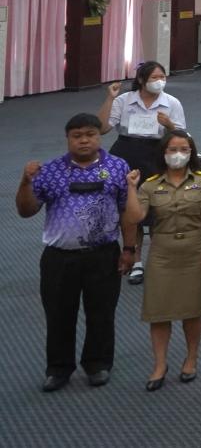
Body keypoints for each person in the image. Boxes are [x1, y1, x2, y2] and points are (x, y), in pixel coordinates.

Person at [19, 113, 143, 391]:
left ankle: (98, 364)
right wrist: (25, 182)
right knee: (58, 314)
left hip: (103, 254)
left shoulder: (117, 167)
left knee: (102, 312)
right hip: (59, 256)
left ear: (99, 136)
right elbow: (26, 210)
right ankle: (58, 368)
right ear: (68, 139)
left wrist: (129, 249)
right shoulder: (50, 170)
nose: (84, 140)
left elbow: (128, 212)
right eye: (77, 136)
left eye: (90, 134)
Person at [133, 130, 201, 390]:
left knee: (192, 310)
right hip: (162, 251)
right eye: (172, 149)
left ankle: (191, 359)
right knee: (158, 311)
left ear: (191, 153)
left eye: (183, 149)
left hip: (194, 249)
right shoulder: (150, 185)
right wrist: (129, 188)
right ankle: (160, 364)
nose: (178, 154)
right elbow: (137, 217)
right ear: (163, 153)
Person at [99, 63, 184, 284]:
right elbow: (103, 128)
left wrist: (169, 124)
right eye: (155, 77)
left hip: (156, 154)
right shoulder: (124, 100)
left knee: (157, 210)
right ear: (141, 79)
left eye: (162, 76)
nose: (160, 81)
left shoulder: (172, 102)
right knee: (129, 209)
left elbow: (183, 136)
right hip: (126, 152)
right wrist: (110, 98)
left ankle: (157, 261)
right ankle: (136, 262)